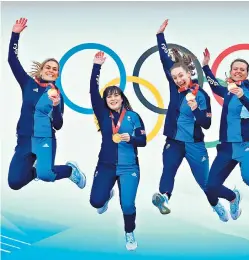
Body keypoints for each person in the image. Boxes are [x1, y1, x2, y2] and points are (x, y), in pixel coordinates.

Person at [7, 17, 86, 190]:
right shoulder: (28, 84)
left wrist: (57, 106)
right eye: (48, 67)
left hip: (44, 139)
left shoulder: (57, 95)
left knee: (47, 175)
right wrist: (15, 35)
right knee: (14, 182)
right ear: (42, 70)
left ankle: (69, 170)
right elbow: (12, 60)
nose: (51, 70)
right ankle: (35, 170)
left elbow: (58, 125)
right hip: (24, 139)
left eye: (55, 69)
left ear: (57, 75)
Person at [202, 48, 249, 222]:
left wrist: (243, 97)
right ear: (231, 72)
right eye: (235, 68)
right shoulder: (228, 89)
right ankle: (233, 198)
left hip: (245, 144)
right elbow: (213, 85)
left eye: (242, 69)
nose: (238, 71)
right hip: (226, 146)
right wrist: (205, 66)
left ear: (247, 74)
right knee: (211, 186)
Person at [151, 19, 213, 215]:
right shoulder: (174, 87)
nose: (178, 79)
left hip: (195, 144)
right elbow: (164, 61)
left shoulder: (201, 95)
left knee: (206, 183)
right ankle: (164, 197)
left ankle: (218, 205)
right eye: (175, 77)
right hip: (174, 142)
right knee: (168, 169)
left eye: (181, 76)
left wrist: (195, 109)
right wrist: (160, 36)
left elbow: (207, 123)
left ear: (189, 73)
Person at [89, 51, 147, 251]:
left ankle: (129, 232)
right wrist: (97, 66)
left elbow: (143, 141)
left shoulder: (134, 116)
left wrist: (131, 138)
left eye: (116, 95)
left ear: (122, 98)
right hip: (105, 165)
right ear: (105, 101)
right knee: (96, 203)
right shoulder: (103, 115)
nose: (112, 99)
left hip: (129, 167)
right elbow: (92, 91)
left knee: (128, 206)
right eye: (109, 96)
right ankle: (106, 194)